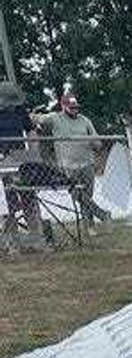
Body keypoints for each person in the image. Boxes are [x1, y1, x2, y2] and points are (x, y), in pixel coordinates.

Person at [30, 92, 109, 223]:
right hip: (67, 166)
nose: (75, 110)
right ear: (63, 106)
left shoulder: (85, 120)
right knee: (77, 194)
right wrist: (33, 115)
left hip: (87, 163)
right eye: (71, 107)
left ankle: (89, 225)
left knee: (87, 196)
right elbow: (36, 119)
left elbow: (97, 142)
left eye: (76, 107)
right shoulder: (55, 118)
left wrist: (95, 143)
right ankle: (101, 215)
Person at [0, 81, 43, 240]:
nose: (13, 104)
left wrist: (34, 151)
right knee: (7, 200)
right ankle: (12, 239)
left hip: (20, 157)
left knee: (28, 195)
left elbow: (31, 130)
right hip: (2, 160)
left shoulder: (19, 111)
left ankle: (36, 235)